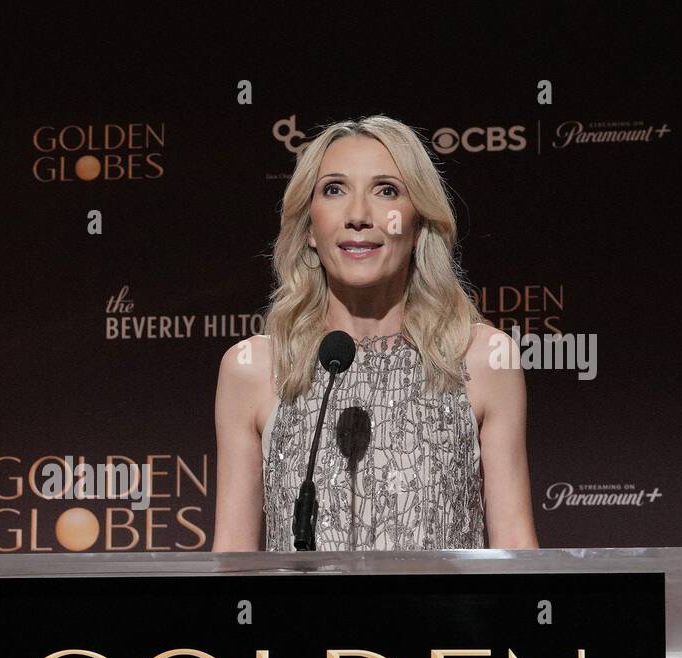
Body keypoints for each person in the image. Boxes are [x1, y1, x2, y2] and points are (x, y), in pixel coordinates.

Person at [212, 115, 539, 552]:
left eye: (386, 190)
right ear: (309, 227)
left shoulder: (483, 359)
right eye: (334, 190)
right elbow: (232, 559)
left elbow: (516, 547)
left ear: (418, 221)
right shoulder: (254, 369)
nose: (359, 216)